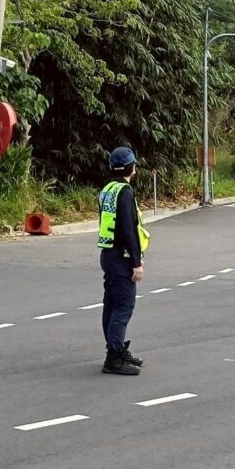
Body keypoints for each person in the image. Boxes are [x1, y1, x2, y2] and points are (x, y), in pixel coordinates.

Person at [98, 147, 150, 375]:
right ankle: (114, 356)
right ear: (131, 167)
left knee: (111, 304)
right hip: (122, 256)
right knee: (124, 306)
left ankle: (116, 349)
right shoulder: (125, 192)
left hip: (108, 253)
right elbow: (129, 229)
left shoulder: (107, 190)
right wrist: (137, 262)